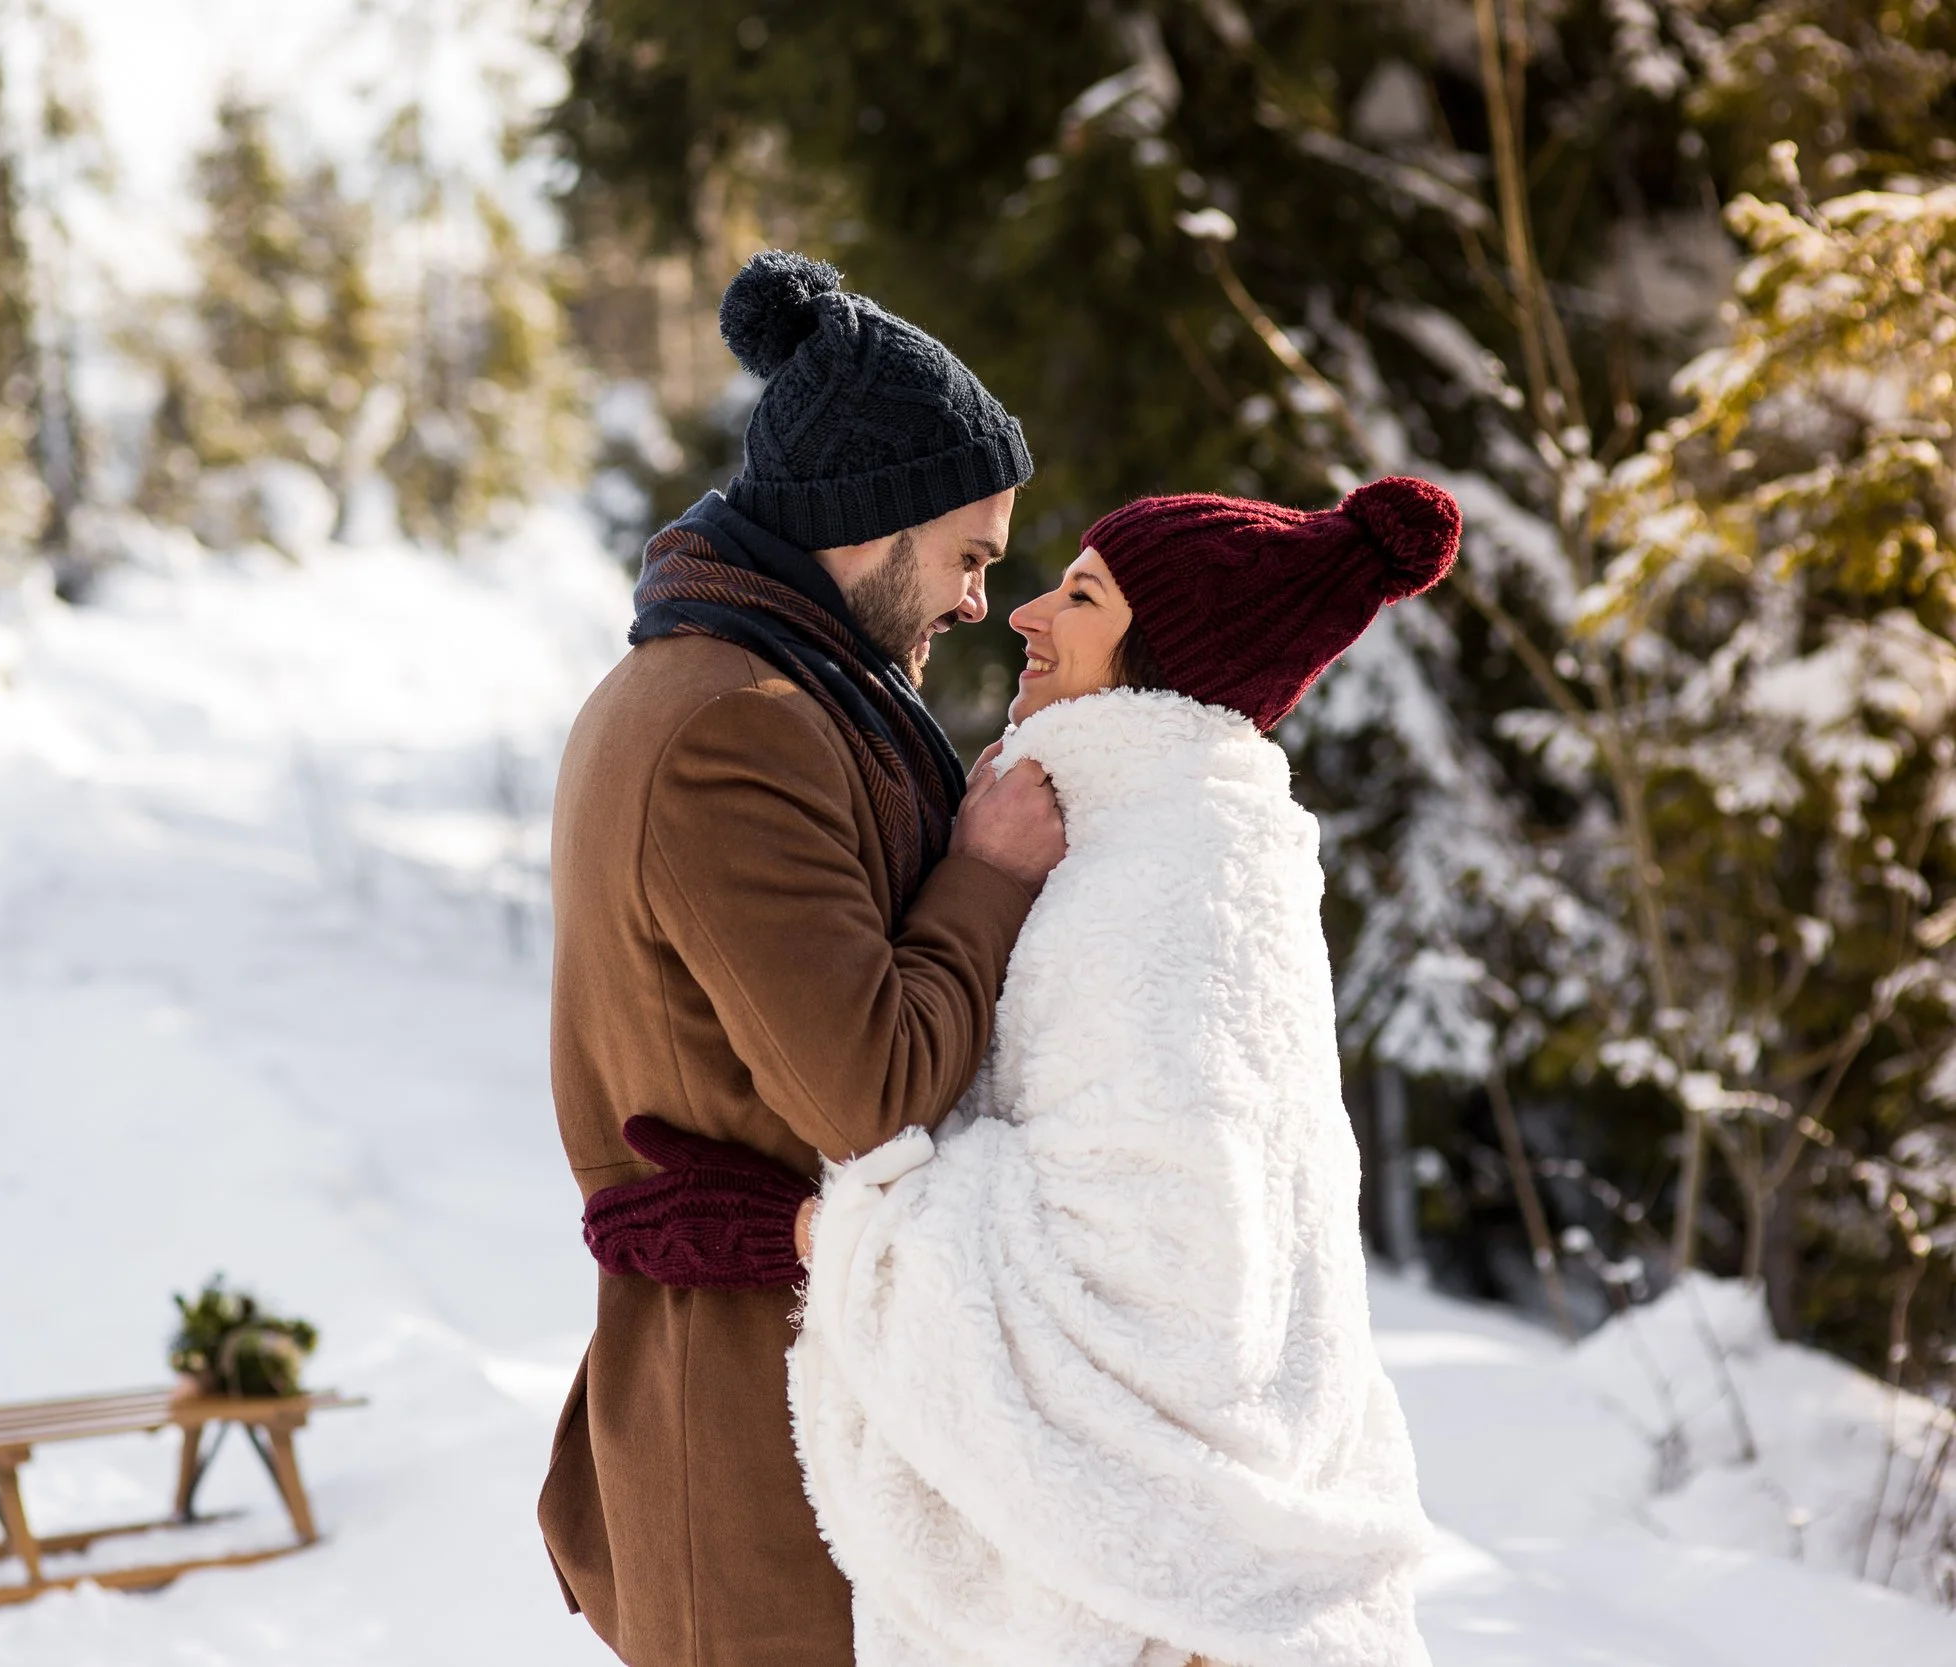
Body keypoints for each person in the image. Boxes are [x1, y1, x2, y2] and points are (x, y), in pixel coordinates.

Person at [592, 475, 1460, 1667]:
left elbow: (1154, 1285)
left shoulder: (1163, 884)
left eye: (1083, 597)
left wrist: (807, 1235)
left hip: (1166, 1605)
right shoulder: (1168, 835)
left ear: (1164, 657)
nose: (1025, 611)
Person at [541, 250, 1067, 1667]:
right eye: (968, 554)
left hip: (806, 1406)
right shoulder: (737, 724)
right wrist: (986, 871)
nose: (978, 600)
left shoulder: (753, 687)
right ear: (871, 520)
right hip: (755, 1443)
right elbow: (867, 1090)